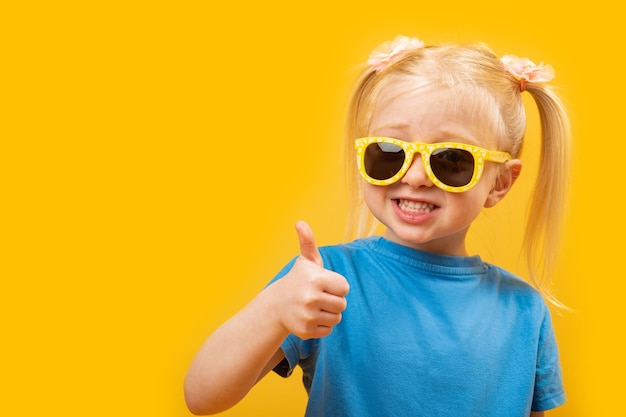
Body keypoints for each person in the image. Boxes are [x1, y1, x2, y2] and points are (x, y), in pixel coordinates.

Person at [184, 35, 571, 416]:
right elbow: (202, 397)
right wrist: (274, 309)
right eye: (389, 152)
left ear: (500, 182)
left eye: (452, 159)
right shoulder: (325, 280)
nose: (416, 176)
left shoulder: (524, 311)